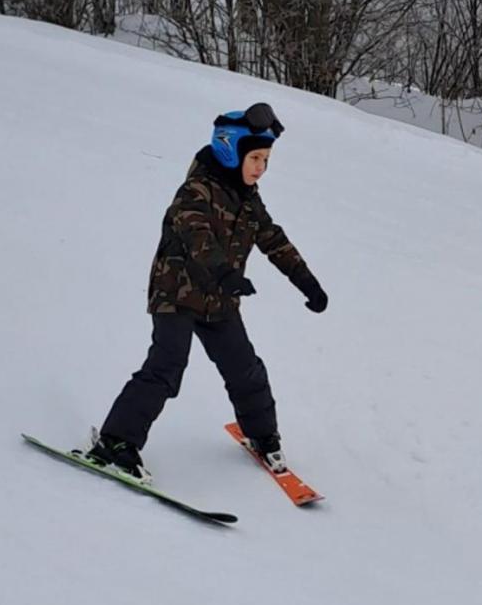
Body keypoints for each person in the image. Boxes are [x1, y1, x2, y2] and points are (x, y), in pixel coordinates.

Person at [86, 102, 327, 481]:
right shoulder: (196, 191)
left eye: (266, 159)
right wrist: (226, 273)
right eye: (255, 158)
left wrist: (307, 282)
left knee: (245, 370)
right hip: (176, 295)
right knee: (166, 368)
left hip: (219, 301)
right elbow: (197, 237)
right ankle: (116, 441)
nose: (261, 167)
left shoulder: (248, 199)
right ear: (231, 151)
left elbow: (273, 240)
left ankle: (262, 435)